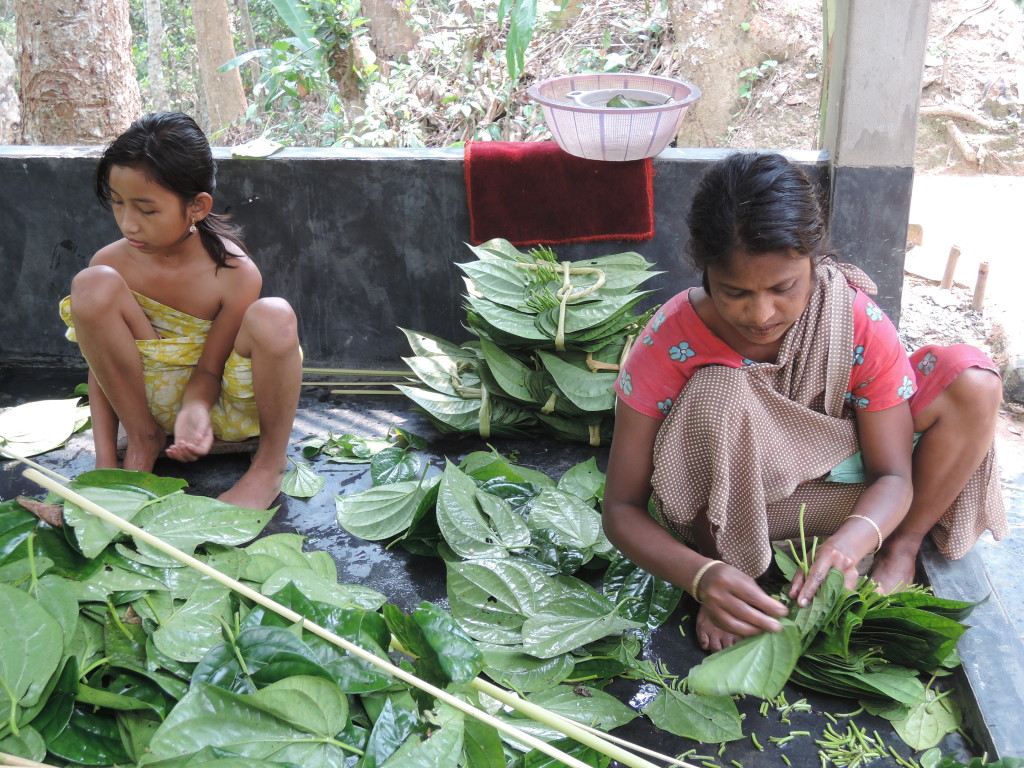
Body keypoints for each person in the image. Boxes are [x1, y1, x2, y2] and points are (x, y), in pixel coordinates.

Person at [603, 152, 1008, 653]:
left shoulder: (852, 322)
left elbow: (894, 476)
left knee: (974, 381)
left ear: (813, 259)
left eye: (783, 287)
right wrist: (702, 575)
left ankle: (901, 548)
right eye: (734, 292)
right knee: (718, 393)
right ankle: (737, 577)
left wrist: (853, 541)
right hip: (737, 510)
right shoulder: (671, 337)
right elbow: (620, 508)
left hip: (845, 494)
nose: (761, 313)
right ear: (703, 269)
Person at [60, 112, 301, 510]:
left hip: (220, 408)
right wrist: (104, 463)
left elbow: (210, 368)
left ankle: (268, 466)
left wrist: (194, 406)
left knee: (275, 314)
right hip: (146, 407)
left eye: (146, 210)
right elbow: (101, 369)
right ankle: (144, 441)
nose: (128, 224)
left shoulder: (234, 273)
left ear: (197, 207)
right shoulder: (111, 264)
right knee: (91, 283)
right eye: (117, 204)